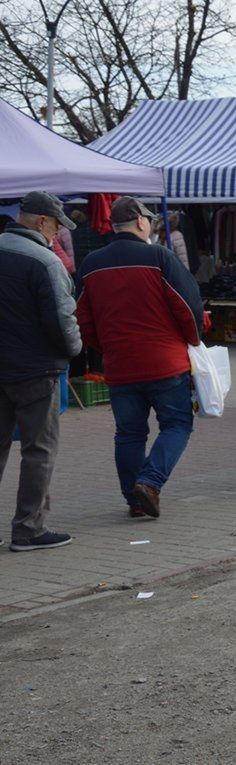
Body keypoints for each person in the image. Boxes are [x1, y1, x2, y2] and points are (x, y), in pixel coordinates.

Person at [76, 196, 205, 520]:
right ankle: (149, 483)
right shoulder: (159, 256)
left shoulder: (92, 263)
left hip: (119, 364)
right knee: (177, 424)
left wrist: (106, 348)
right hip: (164, 361)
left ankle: (134, 499)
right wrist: (194, 340)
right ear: (140, 222)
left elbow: (83, 319)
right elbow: (188, 307)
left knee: (129, 433)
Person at [0, 192, 81, 551]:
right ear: (41, 221)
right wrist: (74, 350)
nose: (58, 234)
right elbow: (62, 320)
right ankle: (28, 529)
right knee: (39, 450)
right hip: (35, 369)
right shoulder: (45, 261)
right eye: (58, 226)